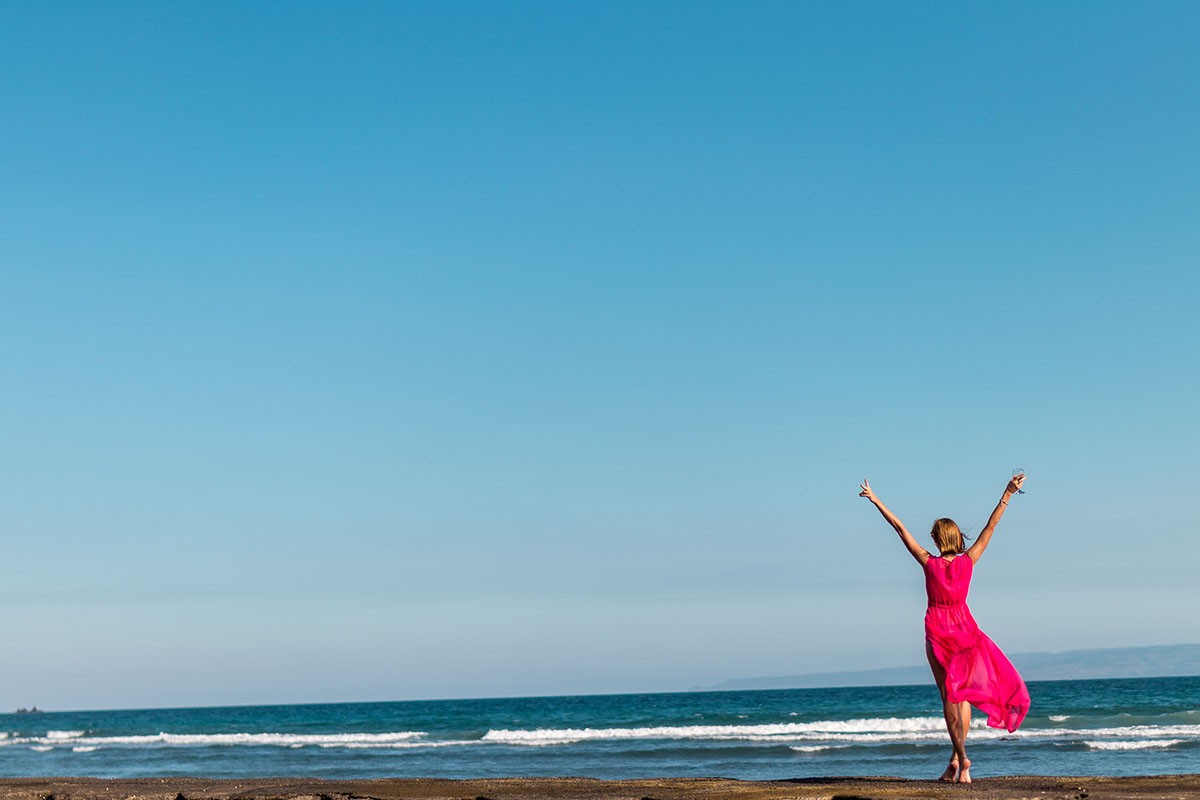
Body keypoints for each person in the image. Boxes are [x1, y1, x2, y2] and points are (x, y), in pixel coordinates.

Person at [858, 474, 1031, 784]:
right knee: (961, 697)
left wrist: (875, 500)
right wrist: (1007, 493)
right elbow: (990, 527)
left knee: (948, 697)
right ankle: (955, 760)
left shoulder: (928, 562)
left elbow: (899, 528)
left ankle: (963, 759)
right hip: (966, 631)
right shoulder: (969, 560)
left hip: (938, 631)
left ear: (938, 539)